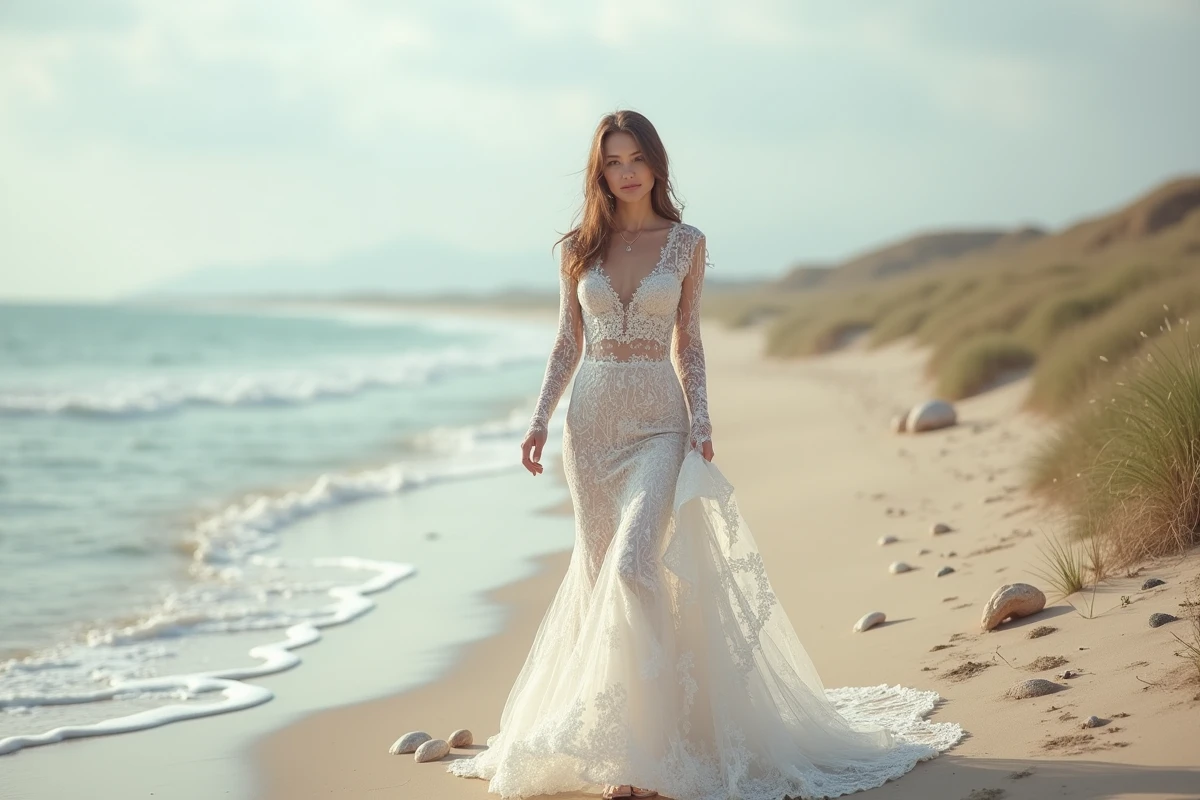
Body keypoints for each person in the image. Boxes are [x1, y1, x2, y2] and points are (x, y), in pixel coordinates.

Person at [447, 109, 962, 800]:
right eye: (612, 162)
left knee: (635, 570)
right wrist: (539, 419)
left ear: (656, 163)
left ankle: (657, 758)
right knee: (602, 579)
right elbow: (567, 342)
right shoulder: (576, 248)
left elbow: (687, 341)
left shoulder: (685, 242)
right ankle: (623, 751)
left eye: (635, 159)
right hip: (590, 429)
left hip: (659, 424)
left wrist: (701, 424)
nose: (625, 171)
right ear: (599, 172)